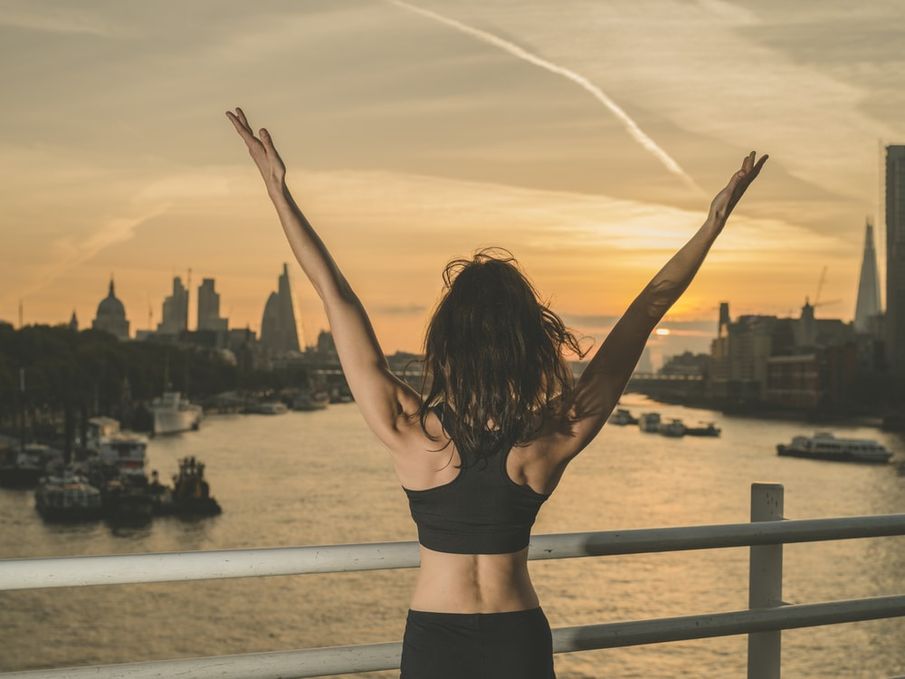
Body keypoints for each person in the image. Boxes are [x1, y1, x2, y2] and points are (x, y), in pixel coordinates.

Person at [226, 106, 767, 678]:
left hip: (436, 643)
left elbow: (335, 296)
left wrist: (278, 192)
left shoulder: (410, 432)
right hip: (517, 639)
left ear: (447, 342)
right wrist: (711, 225)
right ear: (526, 345)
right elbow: (644, 313)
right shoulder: (549, 438)